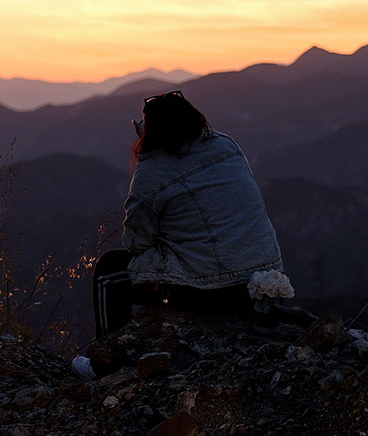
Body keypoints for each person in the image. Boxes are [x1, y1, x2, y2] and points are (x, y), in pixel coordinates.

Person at [81, 90, 287, 373]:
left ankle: (104, 364)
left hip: (212, 290)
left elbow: (136, 242)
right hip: (259, 285)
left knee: (108, 272)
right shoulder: (227, 145)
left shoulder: (151, 172)